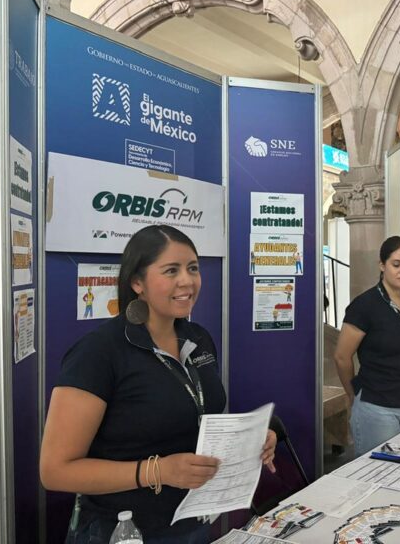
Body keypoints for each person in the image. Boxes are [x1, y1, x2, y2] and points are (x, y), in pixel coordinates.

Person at [40, 225, 277, 543]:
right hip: (123, 531)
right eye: (171, 270)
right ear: (137, 282)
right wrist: (158, 471)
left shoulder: (198, 339)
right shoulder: (99, 352)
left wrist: (249, 444)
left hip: (191, 522)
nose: (187, 281)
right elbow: (55, 470)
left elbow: (196, 420)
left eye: (193, 268)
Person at [333, 236, 400, 456]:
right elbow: (341, 357)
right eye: (396, 264)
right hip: (377, 406)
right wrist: (352, 394)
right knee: (379, 474)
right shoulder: (365, 305)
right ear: (382, 265)